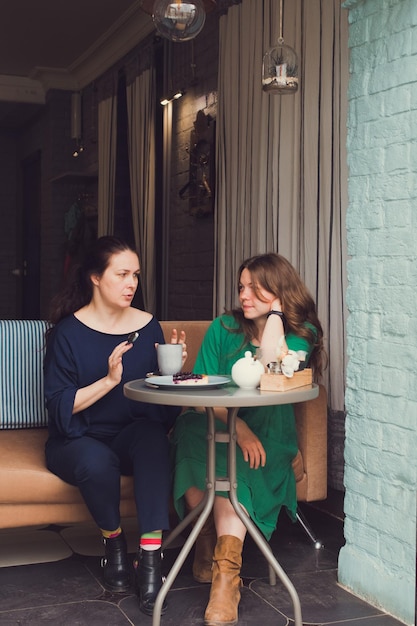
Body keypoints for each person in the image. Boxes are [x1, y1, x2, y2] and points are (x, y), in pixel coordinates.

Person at [171, 252, 325, 626]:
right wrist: (238, 429)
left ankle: (226, 578)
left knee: (234, 460)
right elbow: (203, 388)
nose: (244, 295)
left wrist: (275, 315)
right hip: (219, 423)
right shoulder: (223, 328)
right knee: (191, 433)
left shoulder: (302, 332)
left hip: (271, 433)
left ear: (280, 291)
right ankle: (207, 534)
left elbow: (271, 364)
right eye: (241, 287)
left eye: (255, 288)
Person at [44, 236, 186, 616]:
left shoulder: (147, 326)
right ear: (95, 277)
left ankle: (151, 563)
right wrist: (109, 380)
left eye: (135, 275)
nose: (131, 284)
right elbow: (59, 408)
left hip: (130, 433)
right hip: (79, 437)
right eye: (121, 274)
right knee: (95, 460)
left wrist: (171, 375)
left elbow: (160, 410)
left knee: (154, 441)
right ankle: (114, 546)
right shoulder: (67, 333)